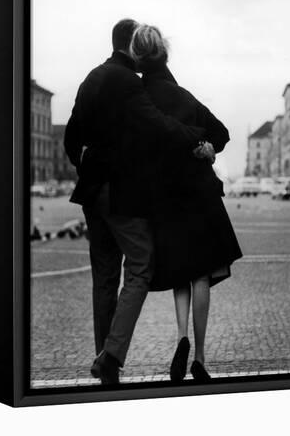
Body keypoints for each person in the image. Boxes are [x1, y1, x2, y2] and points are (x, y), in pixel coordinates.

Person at [64, 19, 211, 384]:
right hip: (119, 191)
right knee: (141, 266)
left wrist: (85, 166)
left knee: (104, 277)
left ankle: (105, 362)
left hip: (90, 190)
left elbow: (71, 137)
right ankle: (112, 355)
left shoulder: (91, 78)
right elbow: (157, 124)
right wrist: (195, 135)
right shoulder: (129, 82)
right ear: (132, 44)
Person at [129, 24, 243, 383]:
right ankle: (202, 357)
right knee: (201, 274)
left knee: (180, 270)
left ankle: (180, 338)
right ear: (165, 53)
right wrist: (208, 147)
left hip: (164, 197)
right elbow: (221, 132)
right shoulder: (182, 96)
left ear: (136, 56)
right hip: (199, 193)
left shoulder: (138, 97)